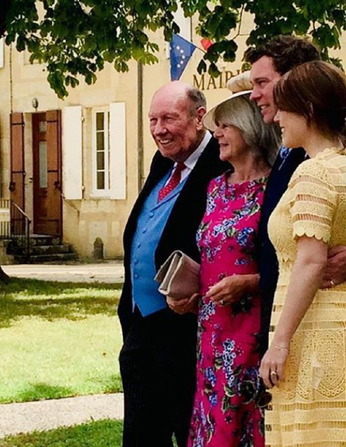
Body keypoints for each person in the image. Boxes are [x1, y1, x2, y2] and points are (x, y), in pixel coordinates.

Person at [259, 60, 346, 446]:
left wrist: (280, 342)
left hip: (317, 332)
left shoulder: (313, 172)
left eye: (283, 109)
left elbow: (309, 259)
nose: (277, 119)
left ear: (307, 110)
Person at [168, 73, 279, 446]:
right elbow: (212, 252)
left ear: (250, 129)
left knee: (244, 421)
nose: (217, 133)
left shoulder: (276, 189)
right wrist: (189, 289)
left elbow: (290, 262)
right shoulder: (215, 187)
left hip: (252, 327)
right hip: (210, 328)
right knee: (211, 420)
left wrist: (250, 282)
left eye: (225, 125)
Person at [241, 35, 346, 355]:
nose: (254, 95)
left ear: (299, 82)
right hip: (285, 321)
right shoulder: (283, 146)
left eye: (262, 83)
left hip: (327, 327)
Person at [118, 81, 228, 447]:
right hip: (141, 322)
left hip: (188, 327)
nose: (159, 129)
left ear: (200, 118)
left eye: (169, 118)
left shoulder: (223, 161)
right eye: (153, 120)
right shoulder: (164, 162)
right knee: (140, 434)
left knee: (189, 429)